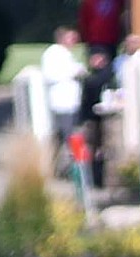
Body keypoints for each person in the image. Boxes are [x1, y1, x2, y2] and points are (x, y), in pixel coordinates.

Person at [40, 27, 86, 171]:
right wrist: (73, 71)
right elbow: (51, 75)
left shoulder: (67, 54)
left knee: (65, 136)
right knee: (70, 136)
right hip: (61, 103)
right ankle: (79, 165)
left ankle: (58, 166)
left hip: (71, 103)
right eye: (70, 38)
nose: (74, 41)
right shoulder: (52, 54)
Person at [78, 48, 116, 188]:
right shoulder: (93, 76)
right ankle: (91, 179)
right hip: (90, 117)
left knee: (99, 150)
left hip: (100, 119)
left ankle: (98, 179)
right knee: (90, 150)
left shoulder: (102, 77)